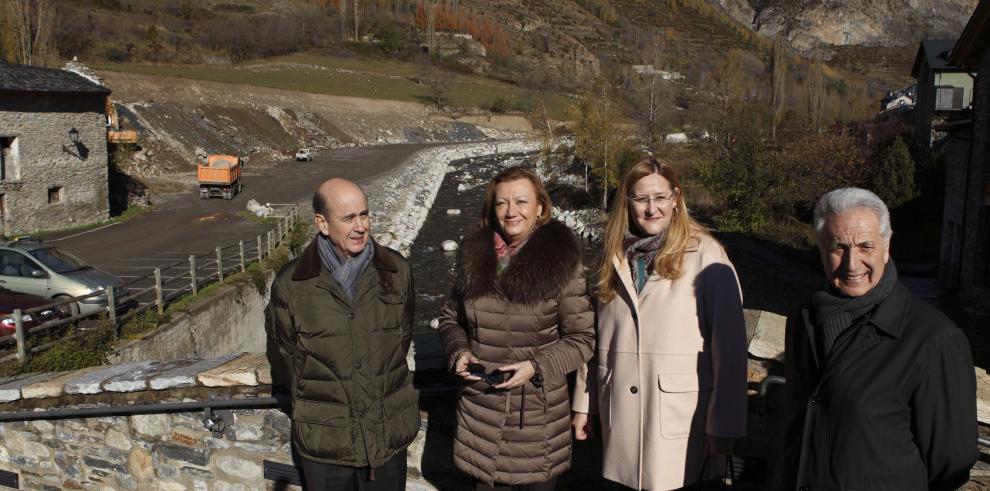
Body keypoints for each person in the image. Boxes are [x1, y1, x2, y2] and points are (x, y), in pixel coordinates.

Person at [773, 187, 977, 490]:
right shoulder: (804, 318)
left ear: (887, 245)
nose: (851, 263)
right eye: (838, 247)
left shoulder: (934, 340)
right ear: (819, 248)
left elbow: (952, 462)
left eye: (865, 246)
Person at [572, 157, 748, 490]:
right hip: (620, 420)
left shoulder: (707, 255)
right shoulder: (611, 258)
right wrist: (584, 405)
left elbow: (730, 349)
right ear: (628, 203)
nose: (651, 208)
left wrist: (724, 426)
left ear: (676, 199)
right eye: (641, 199)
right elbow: (594, 338)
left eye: (660, 197)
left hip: (681, 424)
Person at [438, 166, 595, 490]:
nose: (511, 212)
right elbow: (450, 318)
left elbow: (582, 338)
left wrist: (536, 367)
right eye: (502, 203)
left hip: (535, 422)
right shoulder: (472, 257)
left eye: (521, 202)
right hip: (480, 416)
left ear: (540, 207)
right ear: (491, 209)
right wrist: (459, 350)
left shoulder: (563, 263)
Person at [266, 178, 418, 490]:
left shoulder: (396, 271)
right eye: (348, 218)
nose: (361, 226)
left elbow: (401, 338)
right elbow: (286, 356)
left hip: (386, 436)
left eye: (364, 215)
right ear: (322, 223)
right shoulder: (292, 284)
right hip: (325, 444)